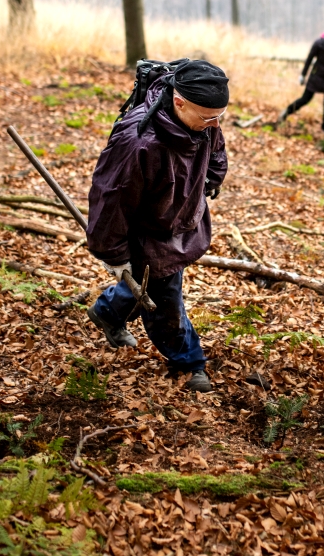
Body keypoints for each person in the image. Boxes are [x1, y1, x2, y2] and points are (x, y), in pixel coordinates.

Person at [84, 60, 229, 393]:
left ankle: (108, 310)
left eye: (219, 116)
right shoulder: (138, 142)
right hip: (147, 231)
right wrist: (113, 253)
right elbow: (111, 199)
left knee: (155, 285)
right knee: (165, 300)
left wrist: (212, 177)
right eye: (208, 117)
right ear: (178, 101)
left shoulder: (202, 118)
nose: (215, 124)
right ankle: (189, 362)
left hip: (177, 219)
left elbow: (214, 145)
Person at [277, 27, 324, 132]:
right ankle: (286, 112)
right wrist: (303, 75)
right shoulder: (319, 44)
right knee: (305, 99)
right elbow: (309, 59)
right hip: (317, 76)